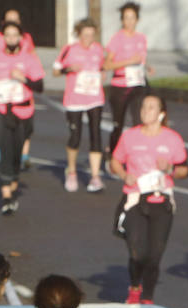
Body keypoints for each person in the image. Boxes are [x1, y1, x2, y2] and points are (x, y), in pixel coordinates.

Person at [108, 91, 188, 305]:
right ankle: (135, 286)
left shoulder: (172, 139)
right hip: (135, 198)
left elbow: (185, 170)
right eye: (143, 107)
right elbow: (114, 161)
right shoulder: (130, 136)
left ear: (161, 113)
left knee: (155, 254)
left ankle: (147, 297)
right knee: (137, 251)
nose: (145, 111)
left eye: (151, 107)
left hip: (162, 202)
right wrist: (125, 175)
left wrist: (170, 168)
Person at [0, 21, 45, 215]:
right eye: (7, 35)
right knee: (5, 146)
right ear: (3, 38)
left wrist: (23, 78)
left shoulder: (29, 59)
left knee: (17, 151)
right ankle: (6, 194)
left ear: (21, 38)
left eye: (14, 35)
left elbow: (39, 85)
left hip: (23, 110)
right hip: (1, 108)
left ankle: (13, 182)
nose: (11, 39)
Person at [54, 18, 108, 193]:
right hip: (74, 100)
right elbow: (55, 71)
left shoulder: (98, 49)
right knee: (75, 137)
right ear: (79, 34)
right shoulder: (69, 49)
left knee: (95, 136)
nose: (88, 39)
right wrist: (68, 69)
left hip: (94, 97)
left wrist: (103, 73)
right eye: (85, 35)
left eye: (91, 35)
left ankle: (95, 176)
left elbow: (102, 66)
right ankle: (71, 171)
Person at [0, 8, 36, 168]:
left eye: (16, 19)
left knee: (26, 124)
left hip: (21, 89)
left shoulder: (26, 39)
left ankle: (23, 155)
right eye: (9, 20)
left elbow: (33, 58)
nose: (12, 22)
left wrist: (27, 76)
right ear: (3, 23)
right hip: (2, 91)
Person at [105, 3, 152, 158]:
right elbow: (107, 64)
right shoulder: (117, 39)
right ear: (122, 20)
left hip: (138, 84)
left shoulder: (141, 38)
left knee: (139, 122)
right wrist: (127, 62)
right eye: (126, 18)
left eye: (132, 18)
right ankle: (112, 154)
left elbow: (141, 60)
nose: (129, 21)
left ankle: (136, 155)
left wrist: (148, 67)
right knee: (118, 124)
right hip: (120, 86)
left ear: (137, 20)